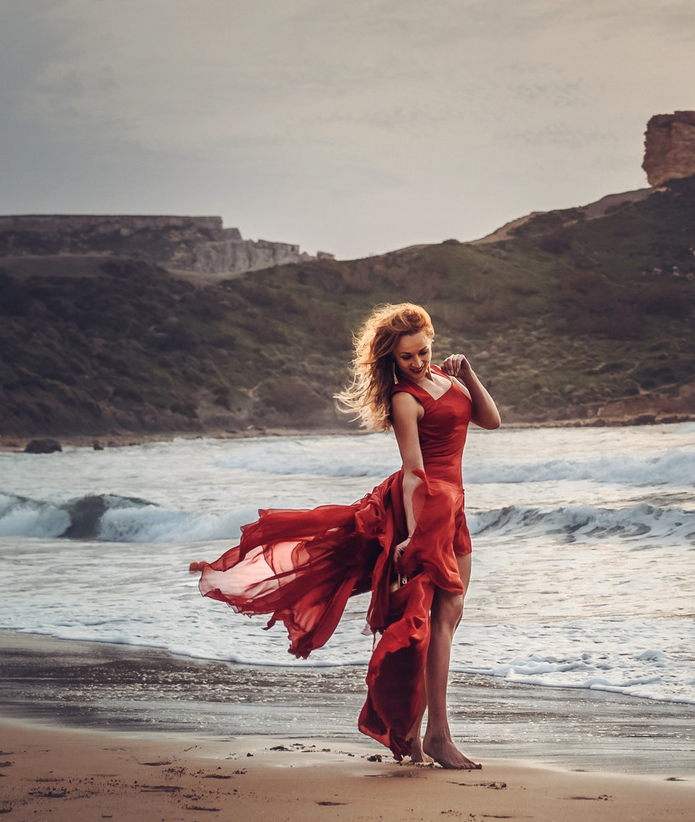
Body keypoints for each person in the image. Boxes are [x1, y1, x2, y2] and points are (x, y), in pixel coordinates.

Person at [189, 303, 501, 768]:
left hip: (455, 507)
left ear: (431, 340)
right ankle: (437, 735)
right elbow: (414, 472)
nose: (417, 363)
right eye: (406, 358)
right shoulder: (404, 400)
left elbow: (491, 420)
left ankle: (419, 734)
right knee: (427, 619)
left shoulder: (448, 379)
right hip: (425, 508)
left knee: (445, 617)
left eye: (422, 352)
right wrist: (413, 538)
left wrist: (470, 375)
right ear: (391, 361)